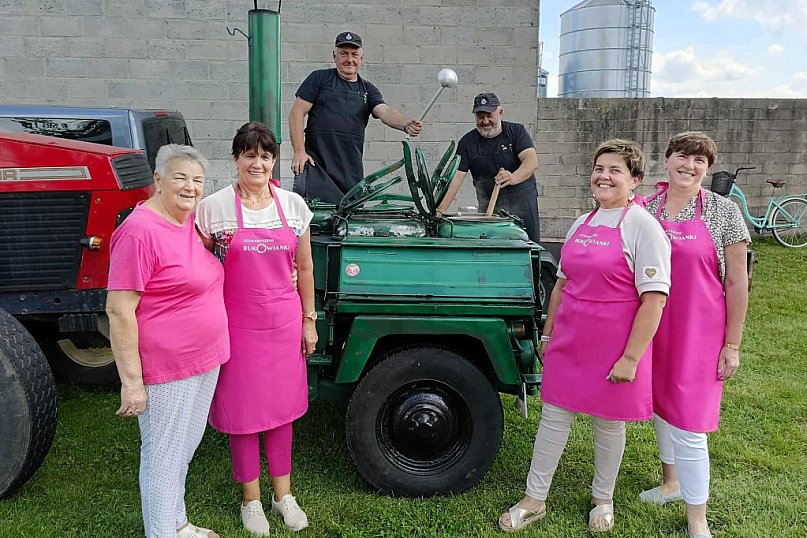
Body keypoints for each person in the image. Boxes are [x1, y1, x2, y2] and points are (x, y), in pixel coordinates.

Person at [498, 140, 671, 533]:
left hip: (615, 348)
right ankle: (534, 498)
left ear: (635, 181)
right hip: (569, 343)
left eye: (615, 170)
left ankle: (602, 499)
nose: (604, 176)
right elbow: (560, 285)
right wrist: (547, 334)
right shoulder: (582, 223)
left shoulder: (645, 228)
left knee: (609, 424)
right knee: (554, 418)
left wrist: (630, 359)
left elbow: (654, 301)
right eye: (599, 168)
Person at [196, 122, 317, 536]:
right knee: (243, 415)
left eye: (265, 155)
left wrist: (308, 320)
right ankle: (251, 501)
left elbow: (304, 268)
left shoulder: (294, 205)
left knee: (281, 414)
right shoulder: (213, 208)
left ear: (273, 161)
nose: (258, 162)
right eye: (249, 154)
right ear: (235, 159)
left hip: (283, 326)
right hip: (235, 327)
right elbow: (197, 268)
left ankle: (284, 496)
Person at [106, 144, 228, 538]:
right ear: (157, 180)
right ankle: (161, 533)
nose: (191, 187)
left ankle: (177, 524)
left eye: (197, 180)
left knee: (183, 450)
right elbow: (119, 311)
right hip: (167, 367)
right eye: (180, 177)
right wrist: (132, 383)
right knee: (162, 455)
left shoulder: (188, 223)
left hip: (203, 359)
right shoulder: (139, 232)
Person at [641, 131, 750, 538]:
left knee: (689, 423)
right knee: (660, 407)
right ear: (667, 160)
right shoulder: (645, 207)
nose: (689, 165)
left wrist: (732, 344)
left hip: (698, 334)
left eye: (699, 160)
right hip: (652, 327)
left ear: (707, 168)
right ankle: (671, 483)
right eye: (682, 156)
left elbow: (738, 283)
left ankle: (697, 520)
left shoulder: (724, 212)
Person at [289, 31, 423, 203]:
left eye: (354, 55)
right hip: (316, 168)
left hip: (350, 175)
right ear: (334, 56)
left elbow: (384, 111)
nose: (349, 60)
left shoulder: (368, 90)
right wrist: (299, 151)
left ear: (361, 58)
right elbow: (297, 113)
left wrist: (405, 123)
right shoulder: (319, 79)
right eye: (344, 54)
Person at [435, 92, 541, 242]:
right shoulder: (468, 142)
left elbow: (531, 161)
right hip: (489, 207)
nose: (485, 121)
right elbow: (455, 179)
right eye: (480, 116)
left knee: (526, 246)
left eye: (489, 115)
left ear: (500, 113)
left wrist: (513, 177)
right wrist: (441, 210)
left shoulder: (516, 132)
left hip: (523, 206)